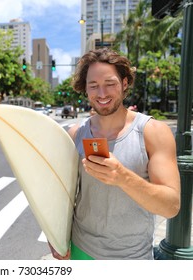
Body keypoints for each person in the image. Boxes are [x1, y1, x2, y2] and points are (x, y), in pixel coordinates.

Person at [49, 48, 180, 260]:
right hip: (80, 250)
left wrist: (123, 178)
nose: (102, 94)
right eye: (93, 86)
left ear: (125, 83)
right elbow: (64, 196)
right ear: (86, 89)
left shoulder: (153, 132)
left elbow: (171, 206)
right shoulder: (75, 134)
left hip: (131, 258)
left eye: (110, 83)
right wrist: (55, 235)